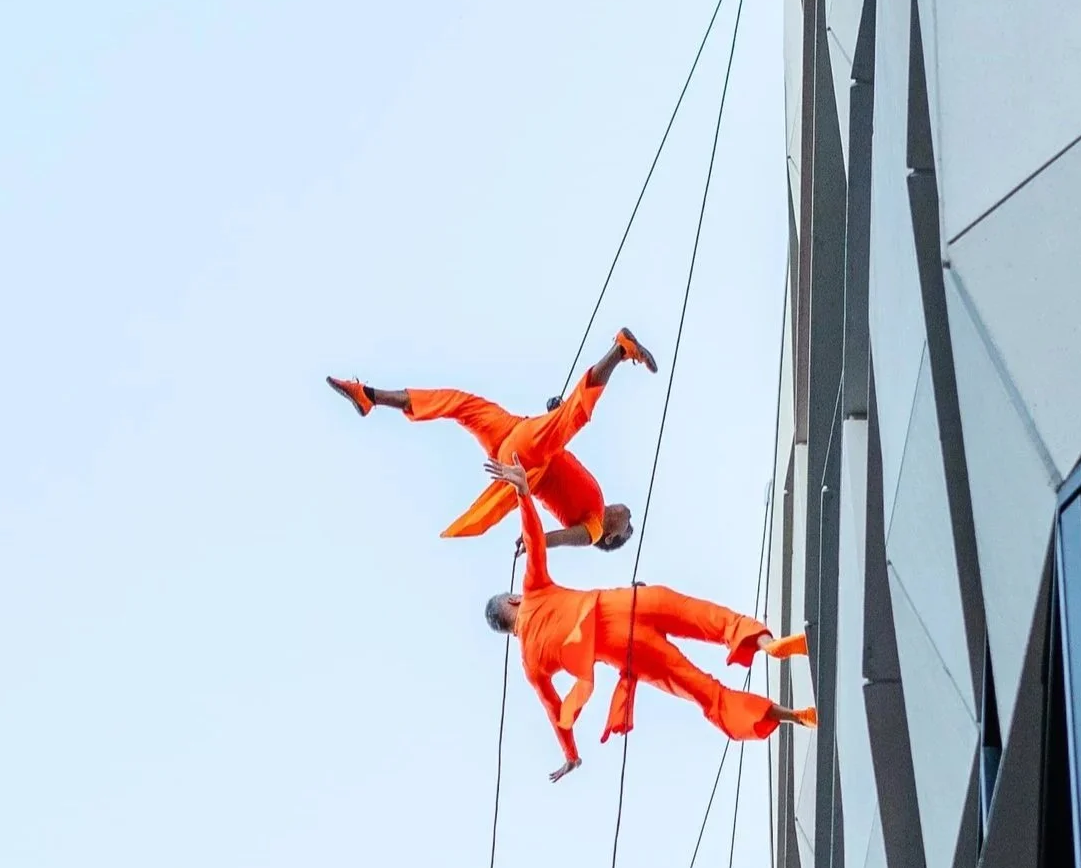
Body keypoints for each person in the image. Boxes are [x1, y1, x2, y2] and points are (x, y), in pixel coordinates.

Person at [483, 483, 813, 781]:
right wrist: (524, 492)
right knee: (717, 620)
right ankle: (769, 645)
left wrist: (571, 755)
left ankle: (796, 716)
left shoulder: (532, 663)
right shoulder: (535, 591)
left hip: (626, 649)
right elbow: (535, 540)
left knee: (708, 694)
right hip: (632, 601)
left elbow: (557, 713)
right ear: (514, 599)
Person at [326, 330, 657, 548]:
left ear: (611, 537)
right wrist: (551, 416)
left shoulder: (595, 526)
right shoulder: (594, 501)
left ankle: (620, 349)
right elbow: (564, 459)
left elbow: (568, 538)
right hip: (520, 437)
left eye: (628, 529)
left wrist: (538, 541)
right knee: (458, 402)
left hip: (528, 457)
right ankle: (370, 396)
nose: (630, 521)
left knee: (575, 415)